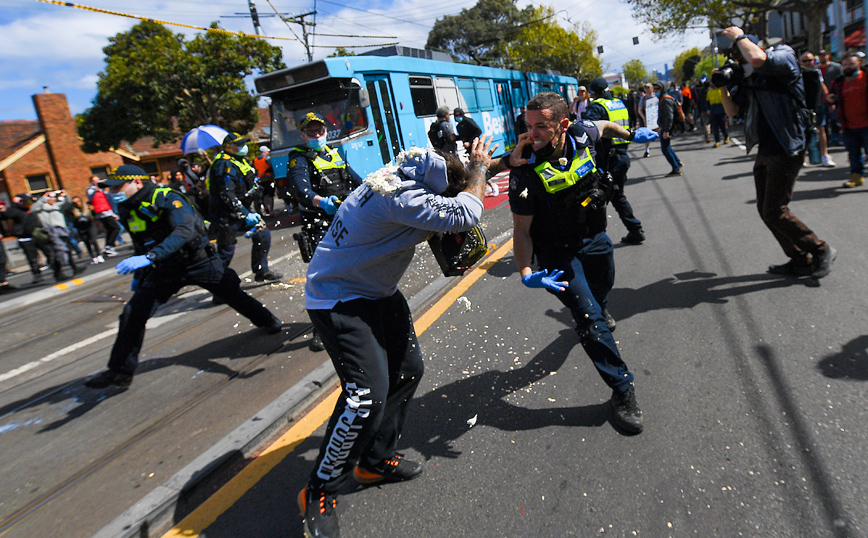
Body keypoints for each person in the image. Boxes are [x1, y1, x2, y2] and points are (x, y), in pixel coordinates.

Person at [297, 136, 495, 538]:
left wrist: (493, 163)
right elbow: (466, 212)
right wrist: (479, 170)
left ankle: (374, 460)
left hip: (376, 291)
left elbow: (458, 193)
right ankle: (319, 489)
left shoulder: (403, 173)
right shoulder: (404, 199)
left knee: (408, 371)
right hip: (339, 300)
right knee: (365, 395)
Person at [508, 92, 650, 439]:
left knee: (603, 291)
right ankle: (623, 389)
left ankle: (601, 310)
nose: (533, 133)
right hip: (558, 254)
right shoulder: (523, 169)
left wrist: (630, 135)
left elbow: (604, 125)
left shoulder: (583, 134)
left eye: (542, 126)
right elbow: (521, 230)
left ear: (564, 124)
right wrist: (526, 272)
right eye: (529, 126)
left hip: (595, 239)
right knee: (588, 319)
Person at [83, 165, 282, 389]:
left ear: (137, 182)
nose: (113, 192)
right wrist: (140, 274)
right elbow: (140, 242)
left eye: (118, 187)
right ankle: (119, 372)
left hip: (197, 261)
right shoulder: (128, 207)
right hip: (163, 268)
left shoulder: (167, 197)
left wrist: (150, 257)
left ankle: (267, 320)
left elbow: (184, 230)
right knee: (132, 313)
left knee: (232, 294)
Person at [718, 27, 836, 279]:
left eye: (741, 53)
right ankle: (799, 259)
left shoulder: (784, 55)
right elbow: (732, 111)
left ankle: (821, 249)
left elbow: (759, 59)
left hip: (788, 144)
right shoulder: (748, 77)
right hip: (767, 148)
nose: (741, 61)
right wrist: (723, 86)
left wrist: (739, 36)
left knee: (775, 209)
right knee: (766, 209)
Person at [287, 112, 363, 351]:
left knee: (353, 270)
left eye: (320, 131)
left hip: (345, 219)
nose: (317, 135)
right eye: (311, 132)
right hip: (319, 223)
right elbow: (302, 190)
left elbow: (355, 180)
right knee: (324, 278)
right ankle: (322, 329)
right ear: (303, 135)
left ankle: (353, 317)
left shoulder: (335, 152)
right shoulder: (298, 158)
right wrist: (322, 202)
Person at [208, 132, 283, 283]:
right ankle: (217, 287)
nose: (244, 147)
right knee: (226, 251)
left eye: (244, 144)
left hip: (243, 211)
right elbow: (227, 194)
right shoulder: (224, 164)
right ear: (228, 147)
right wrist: (244, 213)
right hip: (226, 215)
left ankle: (261, 271)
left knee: (263, 235)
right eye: (239, 145)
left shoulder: (240, 161)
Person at [583, 77, 647, 245]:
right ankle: (634, 230)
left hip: (608, 160)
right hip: (622, 156)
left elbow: (588, 130)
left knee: (596, 198)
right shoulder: (619, 103)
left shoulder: (597, 107)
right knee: (616, 196)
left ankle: (594, 238)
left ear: (593, 93)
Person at [826, 52, 868, 188]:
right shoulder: (839, 81)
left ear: (859, 64)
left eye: (851, 64)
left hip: (867, 123)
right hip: (848, 125)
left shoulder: (866, 77)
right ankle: (856, 177)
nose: (848, 67)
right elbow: (829, 97)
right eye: (845, 65)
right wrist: (829, 99)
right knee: (853, 154)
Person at [32, 190, 82, 282]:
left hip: (62, 231)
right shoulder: (41, 208)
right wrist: (43, 198)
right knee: (56, 254)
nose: (52, 198)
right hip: (51, 233)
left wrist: (66, 195)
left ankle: (74, 267)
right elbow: (33, 209)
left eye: (54, 196)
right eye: (50, 197)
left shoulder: (57, 206)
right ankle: (58, 273)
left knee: (67, 250)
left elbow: (68, 203)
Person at [0, 194, 49, 283]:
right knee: (32, 259)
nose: (28, 203)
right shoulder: (16, 211)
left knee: (50, 253)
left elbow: (36, 204)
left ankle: (58, 271)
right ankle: (37, 275)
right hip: (25, 238)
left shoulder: (32, 209)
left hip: (38, 235)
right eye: (26, 202)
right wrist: (15, 203)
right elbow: (7, 214)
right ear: (21, 202)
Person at [800, 51, 836, 168]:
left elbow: (822, 85)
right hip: (802, 106)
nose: (808, 63)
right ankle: (802, 157)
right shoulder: (797, 72)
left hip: (817, 105)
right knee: (802, 131)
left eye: (810, 60)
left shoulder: (816, 71)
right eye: (804, 61)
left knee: (820, 129)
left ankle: (824, 155)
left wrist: (828, 101)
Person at [653, 81, 684, 176]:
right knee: (667, 146)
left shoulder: (665, 100)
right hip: (666, 127)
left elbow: (669, 117)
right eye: (655, 89)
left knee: (665, 149)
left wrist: (666, 130)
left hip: (668, 127)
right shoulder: (663, 99)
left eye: (658, 89)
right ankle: (677, 162)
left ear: (663, 89)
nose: (655, 91)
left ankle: (676, 168)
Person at [87, 176, 122, 258]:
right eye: (93, 181)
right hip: (102, 213)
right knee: (116, 228)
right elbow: (90, 197)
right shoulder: (91, 190)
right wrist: (96, 190)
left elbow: (109, 200)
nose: (95, 182)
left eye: (97, 180)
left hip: (108, 211)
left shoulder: (104, 189)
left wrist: (113, 213)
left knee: (111, 229)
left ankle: (109, 247)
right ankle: (109, 246)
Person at [66, 196, 103, 264]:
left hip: (90, 226)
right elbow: (69, 215)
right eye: (75, 202)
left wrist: (93, 210)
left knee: (94, 240)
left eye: (78, 201)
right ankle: (93, 257)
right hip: (81, 228)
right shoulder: (73, 211)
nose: (77, 203)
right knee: (87, 242)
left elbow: (94, 214)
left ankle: (99, 255)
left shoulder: (87, 207)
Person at [819, 50, 843, 146]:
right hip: (821, 99)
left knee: (834, 120)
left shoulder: (836, 67)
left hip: (833, 96)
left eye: (824, 55)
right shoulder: (816, 68)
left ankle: (836, 139)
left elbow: (841, 81)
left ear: (828, 56)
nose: (822, 57)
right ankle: (827, 140)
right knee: (823, 122)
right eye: (820, 56)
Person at [253, 146, 276, 216]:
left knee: (264, 195)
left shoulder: (255, 160)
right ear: (264, 152)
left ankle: (266, 208)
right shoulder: (267, 158)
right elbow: (272, 167)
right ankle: (271, 210)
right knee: (270, 196)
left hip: (260, 180)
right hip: (268, 179)